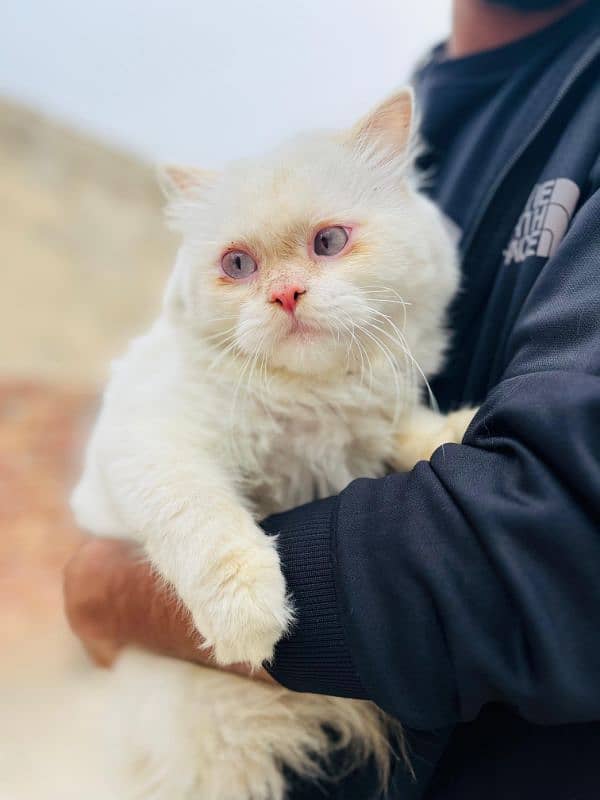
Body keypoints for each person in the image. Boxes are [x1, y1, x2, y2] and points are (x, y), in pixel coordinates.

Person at [64, 1, 600, 797]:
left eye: (325, 245)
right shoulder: (397, 110)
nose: (283, 290)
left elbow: (548, 543)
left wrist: (114, 592)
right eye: (240, 265)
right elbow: (156, 444)